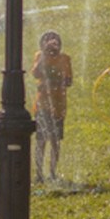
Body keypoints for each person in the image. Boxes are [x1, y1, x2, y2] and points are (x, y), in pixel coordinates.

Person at [31, 31, 73, 183]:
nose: (52, 46)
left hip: (58, 107)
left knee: (55, 140)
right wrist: (43, 56)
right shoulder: (39, 56)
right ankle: (39, 174)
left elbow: (69, 81)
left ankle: (53, 173)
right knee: (41, 140)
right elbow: (35, 73)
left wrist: (54, 82)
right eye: (47, 42)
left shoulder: (65, 59)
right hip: (42, 106)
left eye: (55, 43)